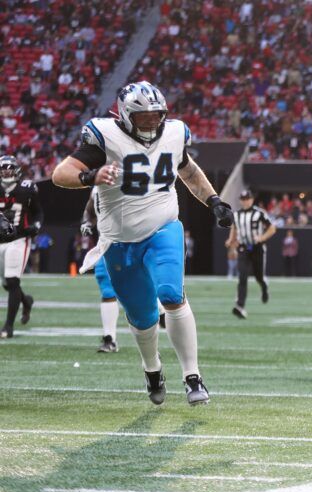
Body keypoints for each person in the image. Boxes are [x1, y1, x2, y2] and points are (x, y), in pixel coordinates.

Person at [51, 81, 234, 406]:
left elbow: (189, 171)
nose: (151, 122)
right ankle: (152, 368)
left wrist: (214, 201)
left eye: (156, 115)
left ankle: (192, 376)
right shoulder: (105, 136)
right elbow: (60, 174)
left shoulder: (174, 133)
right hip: (119, 241)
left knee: (171, 295)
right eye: (143, 117)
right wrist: (90, 177)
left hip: (163, 229)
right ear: (125, 115)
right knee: (143, 317)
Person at [80, 189, 167, 353]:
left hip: (134, 244)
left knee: (139, 289)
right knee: (107, 289)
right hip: (107, 245)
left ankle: (160, 310)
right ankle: (109, 339)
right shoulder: (98, 186)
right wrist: (86, 222)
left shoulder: (130, 183)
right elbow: (89, 209)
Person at [0, 155, 39, 338]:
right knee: (8, 284)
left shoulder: (27, 188)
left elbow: (38, 211)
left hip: (19, 239)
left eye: (9, 169)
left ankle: (8, 327)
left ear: (16, 170)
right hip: (0, 240)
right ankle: (26, 301)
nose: (6, 172)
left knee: (12, 281)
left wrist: (36, 225)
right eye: (3, 169)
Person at [226, 189, 276, 318]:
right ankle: (240, 306)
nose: (245, 202)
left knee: (259, 276)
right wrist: (231, 240)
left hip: (257, 248)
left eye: (247, 199)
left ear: (252, 200)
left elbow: (272, 228)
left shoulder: (259, 213)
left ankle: (264, 287)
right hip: (243, 248)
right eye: (243, 199)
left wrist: (262, 238)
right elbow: (234, 228)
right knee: (242, 276)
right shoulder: (236, 215)